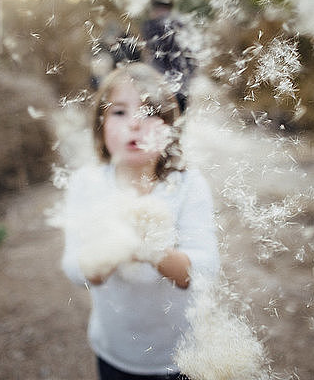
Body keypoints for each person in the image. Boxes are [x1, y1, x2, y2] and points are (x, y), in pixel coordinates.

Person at [62, 63, 219, 380]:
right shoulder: (87, 185)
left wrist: (150, 248)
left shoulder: (187, 185)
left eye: (150, 112)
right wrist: (111, 250)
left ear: (170, 128)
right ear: (100, 125)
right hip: (116, 352)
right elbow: (76, 268)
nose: (134, 123)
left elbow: (204, 269)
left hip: (181, 352)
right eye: (119, 112)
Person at [141, 0, 197, 113]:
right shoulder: (181, 24)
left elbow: (147, 54)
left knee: (160, 120)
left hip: (159, 82)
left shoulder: (150, 25)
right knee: (179, 120)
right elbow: (191, 54)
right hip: (181, 82)